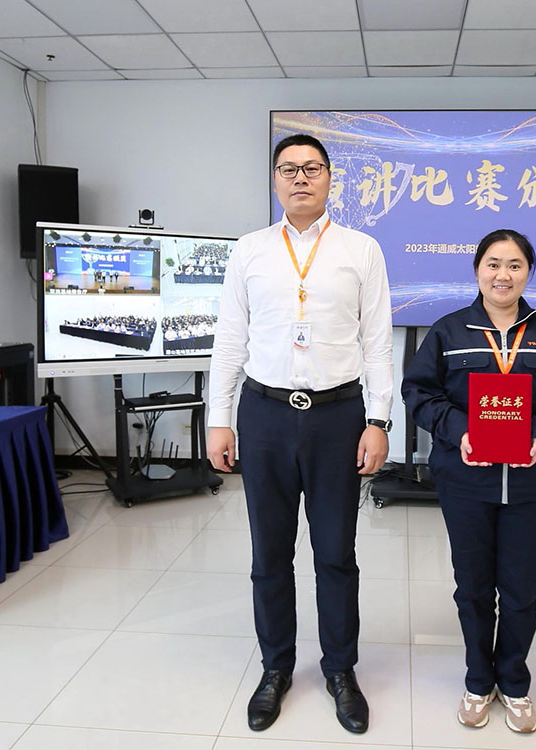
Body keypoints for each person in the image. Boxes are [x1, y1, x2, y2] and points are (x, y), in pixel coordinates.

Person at [207, 134, 393, 735]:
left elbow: (378, 345)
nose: (300, 178)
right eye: (288, 169)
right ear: (275, 180)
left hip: (339, 417)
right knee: (269, 554)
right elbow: (229, 340)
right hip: (264, 416)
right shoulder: (250, 250)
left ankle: (340, 669)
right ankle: (276, 668)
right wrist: (218, 418)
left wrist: (378, 421)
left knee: (336, 553)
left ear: (330, 179)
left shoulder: (361, 250)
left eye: (312, 168)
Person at [401, 229, 536, 734]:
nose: (502, 275)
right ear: (477, 270)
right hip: (465, 480)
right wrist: (460, 431)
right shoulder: (448, 332)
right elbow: (418, 393)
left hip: (530, 484)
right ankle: (477, 680)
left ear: (528, 272)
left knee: (520, 589)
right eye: (493, 264)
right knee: (472, 587)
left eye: (514, 265)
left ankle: (514, 683)